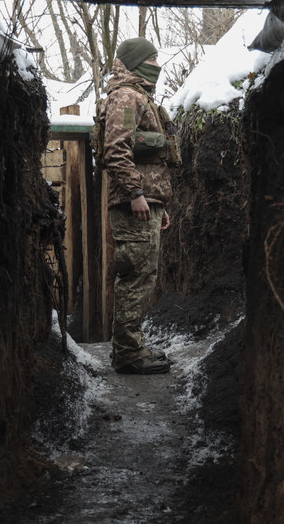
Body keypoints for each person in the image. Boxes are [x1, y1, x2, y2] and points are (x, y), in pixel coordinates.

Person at [100, 37, 175, 375]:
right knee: (136, 277)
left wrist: (156, 201)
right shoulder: (127, 97)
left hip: (144, 204)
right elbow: (116, 149)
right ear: (139, 62)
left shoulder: (138, 96)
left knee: (144, 276)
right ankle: (129, 354)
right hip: (134, 205)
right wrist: (136, 194)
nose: (158, 64)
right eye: (154, 58)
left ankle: (132, 347)